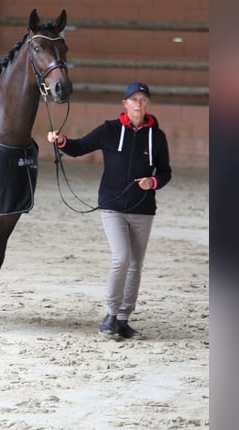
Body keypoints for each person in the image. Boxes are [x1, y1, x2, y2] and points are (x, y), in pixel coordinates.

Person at [47, 82, 172, 338]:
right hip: (112, 207)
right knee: (121, 258)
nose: (139, 103)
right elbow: (79, 147)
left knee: (136, 264)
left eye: (143, 99)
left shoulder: (157, 137)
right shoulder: (110, 130)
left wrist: (154, 182)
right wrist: (61, 142)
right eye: (134, 99)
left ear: (146, 104)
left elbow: (166, 171)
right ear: (124, 103)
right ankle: (110, 314)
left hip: (143, 208)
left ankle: (124, 320)